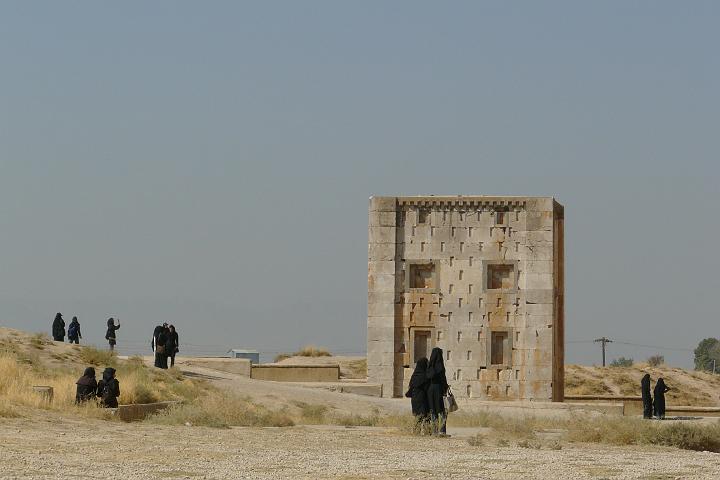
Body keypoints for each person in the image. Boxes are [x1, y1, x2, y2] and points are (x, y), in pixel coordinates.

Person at [426, 347, 449, 436]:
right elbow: (443, 380)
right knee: (442, 411)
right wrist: (445, 388)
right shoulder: (440, 366)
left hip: (430, 390)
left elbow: (427, 378)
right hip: (438, 389)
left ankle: (434, 430)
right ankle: (442, 430)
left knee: (433, 410)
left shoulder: (429, 366)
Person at [405, 357, 429, 433]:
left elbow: (410, 386)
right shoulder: (425, 376)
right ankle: (426, 431)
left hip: (415, 398)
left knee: (417, 416)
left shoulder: (415, 375)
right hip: (422, 398)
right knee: (424, 415)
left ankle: (416, 431)